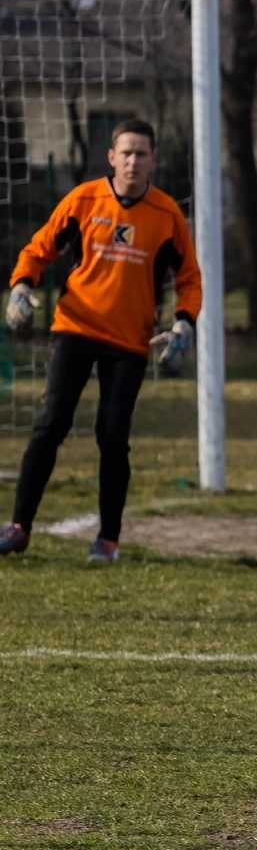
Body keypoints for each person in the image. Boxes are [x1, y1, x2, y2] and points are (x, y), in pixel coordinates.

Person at [1, 118, 201, 564]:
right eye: (125, 152)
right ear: (112, 157)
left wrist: (184, 324)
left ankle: (108, 540)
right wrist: (21, 286)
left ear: (153, 159)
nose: (133, 160)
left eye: (141, 153)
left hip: (129, 342)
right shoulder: (83, 199)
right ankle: (18, 527)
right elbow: (38, 248)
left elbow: (189, 278)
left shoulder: (166, 214)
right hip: (75, 328)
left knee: (112, 436)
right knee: (50, 425)